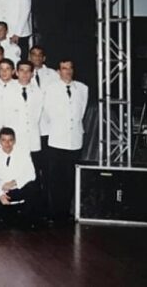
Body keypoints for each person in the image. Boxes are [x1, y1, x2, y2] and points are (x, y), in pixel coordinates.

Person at [41, 59, 88, 224]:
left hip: (74, 140)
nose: (67, 71)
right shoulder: (50, 89)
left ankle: (66, 212)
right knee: (55, 179)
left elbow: (81, 113)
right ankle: (54, 213)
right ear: (58, 71)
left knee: (70, 179)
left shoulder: (82, 88)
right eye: (63, 68)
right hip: (56, 140)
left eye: (70, 68)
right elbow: (47, 114)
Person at [0, 127, 38, 223]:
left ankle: (26, 218)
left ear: (14, 140)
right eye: (4, 140)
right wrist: (0, 195)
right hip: (2, 192)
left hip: (18, 190)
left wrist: (14, 182)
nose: (7, 144)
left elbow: (31, 174)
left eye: (10, 140)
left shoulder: (23, 153)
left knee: (32, 186)